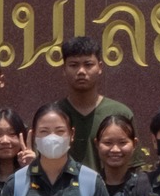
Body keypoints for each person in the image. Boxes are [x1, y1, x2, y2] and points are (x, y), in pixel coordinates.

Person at [55, 35, 134, 173]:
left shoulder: (120, 113)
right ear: (64, 69)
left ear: (100, 67)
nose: (81, 71)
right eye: (73, 65)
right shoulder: (53, 114)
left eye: (88, 64)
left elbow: (133, 167)